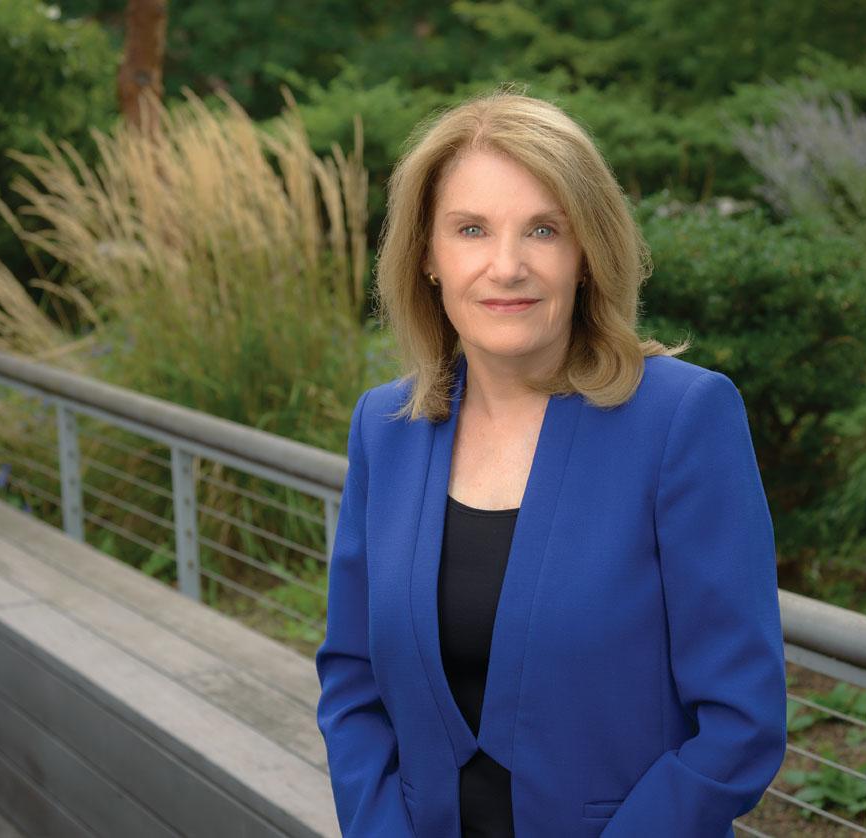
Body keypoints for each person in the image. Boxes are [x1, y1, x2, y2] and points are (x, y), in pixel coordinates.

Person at [315, 85, 788, 837]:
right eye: (471, 229)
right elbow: (351, 683)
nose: (507, 266)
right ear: (428, 258)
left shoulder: (681, 420)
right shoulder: (386, 427)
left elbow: (740, 725)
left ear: (587, 256)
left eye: (543, 230)